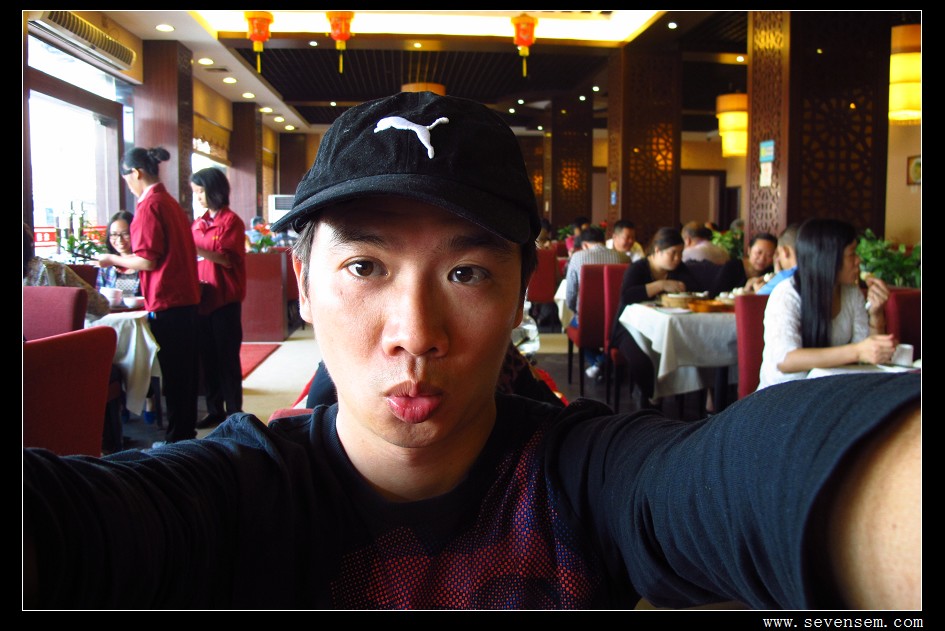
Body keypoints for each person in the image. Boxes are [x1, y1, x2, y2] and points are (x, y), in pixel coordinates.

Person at [24, 92, 919, 611]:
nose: (415, 332)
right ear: (303, 281)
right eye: (365, 266)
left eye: (466, 272)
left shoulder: (581, 477)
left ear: (522, 286)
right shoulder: (240, 494)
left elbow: (740, 481)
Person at [97, 146, 201, 446]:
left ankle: (178, 441)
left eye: (126, 179)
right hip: (186, 300)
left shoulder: (150, 205)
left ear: (136, 173)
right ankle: (185, 436)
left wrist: (111, 259)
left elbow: (146, 260)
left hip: (170, 302)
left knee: (176, 377)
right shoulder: (169, 202)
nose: (128, 185)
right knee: (184, 376)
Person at [758, 218, 896, 390]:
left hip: (832, 389)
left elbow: (867, 356)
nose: (858, 260)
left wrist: (876, 314)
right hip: (785, 394)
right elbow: (785, 360)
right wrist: (857, 351)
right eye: (852, 254)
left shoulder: (852, 293)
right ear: (829, 258)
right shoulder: (787, 294)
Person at [608, 227, 706, 405]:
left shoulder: (678, 268)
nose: (677, 258)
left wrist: (683, 286)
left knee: (690, 349)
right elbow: (627, 296)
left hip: (662, 328)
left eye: (680, 253)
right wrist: (660, 285)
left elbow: (696, 288)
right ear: (657, 250)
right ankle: (649, 400)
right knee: (643, 361)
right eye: (673, 253)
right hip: (629, 327)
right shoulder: (638, 268)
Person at [190, 167, 247, 429]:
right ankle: (214, 410)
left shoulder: (231, 222)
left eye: (200, 191)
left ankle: (234, 412)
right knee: (208, 359)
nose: (198, 197)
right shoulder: (197, 223)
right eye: (195, 192)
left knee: (227, 359)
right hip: (202, 299)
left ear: (214, 190)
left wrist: (196, 248)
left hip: (225, 300)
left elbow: (226, 258)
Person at [565, 225, 629, 380]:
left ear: (585, 245)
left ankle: (599, 362)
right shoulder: (623, 257)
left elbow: (571, 293)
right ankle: (605, 363)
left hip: (588, 319)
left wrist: (576, 310)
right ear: (604, 241)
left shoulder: (578, 257)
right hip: (618, 321)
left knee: (573, 326)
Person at [22, 223, 110, 322]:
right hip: (55, 331)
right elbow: (100, 307)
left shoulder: (50, 270)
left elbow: (100, 307)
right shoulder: (52, 270)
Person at [712, 232, 777, 294]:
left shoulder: (771, 273)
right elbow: (715, 294)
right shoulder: (732, 267)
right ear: (749, 251)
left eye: (769, 255)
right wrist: (745, 291)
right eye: (758, 253)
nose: (762, 259)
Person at [96, 211, 141, 298]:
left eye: (125, 234)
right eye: (114, 234)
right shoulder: (107, 265)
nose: (119, 240)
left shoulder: (144, 263)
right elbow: (98, 297)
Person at [756, 223, 799, 296]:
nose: (778, 259)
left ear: (785, 251)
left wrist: (757, 290)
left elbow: (760, 295)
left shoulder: (786, 276)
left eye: (779, 253)